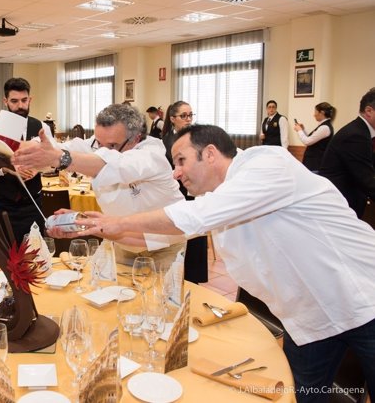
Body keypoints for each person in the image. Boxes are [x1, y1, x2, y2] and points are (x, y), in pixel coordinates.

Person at [75, 124, 375, 402]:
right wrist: (105, 228)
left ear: (210, 153)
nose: (176, 173)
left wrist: (119, 222)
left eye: (181, 161)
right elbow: (169, 235)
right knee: (304, 397)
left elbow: (194, 216)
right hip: (309, 320)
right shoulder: (223, 197)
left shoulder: (266, 166)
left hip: (364, 299)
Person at [13, 103, 185, 267]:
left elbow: (117, 166)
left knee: (159, 296)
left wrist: (57, 158)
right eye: (99, 144)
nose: (102, 150)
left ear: (136, 139)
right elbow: (55, 146)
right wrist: (2, 144)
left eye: (112, 146)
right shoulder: (97, 145)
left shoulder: (151, 155)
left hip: (165, 248)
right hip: (121, 245)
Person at [0, 77, 56, 245]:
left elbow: (54, 163)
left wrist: (38, 168)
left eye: (24, 100)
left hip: (32, 203)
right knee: (4, 253)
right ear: (5, 101)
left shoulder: (42, 127)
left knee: (35, 252)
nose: (20, 106)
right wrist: (8, 169)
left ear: (30, 99)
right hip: (2, 203)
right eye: (14, 101)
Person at [161, 101, 208, 283]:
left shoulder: (198, 139)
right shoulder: (164, 142)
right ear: (172, 119)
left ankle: (193, 280)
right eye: (183, 116)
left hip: (195, 193)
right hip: (173, 195)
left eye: (190, 115)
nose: (188, 119)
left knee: (195, 237)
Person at [320, 88, 375, 218]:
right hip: (340, 204)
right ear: (369, 111)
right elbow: (366, 179)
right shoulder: (356, 135)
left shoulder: (362, 132)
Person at [293, 102, 335, 172]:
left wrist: (299, 130)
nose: (314, 115)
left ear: (321, 113)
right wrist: (303, 129)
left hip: (316, 164)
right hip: (312, 163)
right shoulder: (323, 126)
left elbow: (307, 142)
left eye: (315, 112)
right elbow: (311, 138)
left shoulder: (325, 127)